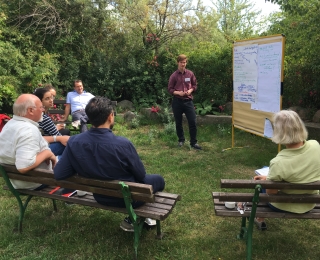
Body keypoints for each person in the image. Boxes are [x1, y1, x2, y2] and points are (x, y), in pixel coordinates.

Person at [54, 96, 165, 231]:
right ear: (110, 116)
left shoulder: (74, 142)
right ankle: (134, 218)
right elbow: (141, 175)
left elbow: (60, 173)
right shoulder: (123, 144)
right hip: (128, 198)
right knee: (158, 180)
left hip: (99, 196)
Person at [253, 110, 320, 230]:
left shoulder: (278, 162)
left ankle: (259, 217)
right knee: (266, 175)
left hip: (284, 205)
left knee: (260, 184)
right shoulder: (316, 146)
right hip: (310, 203)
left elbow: (271, 193)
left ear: (279, 132)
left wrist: (267, 180)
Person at [0, 94, 56, 190]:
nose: (43, 110)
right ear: (30, 110)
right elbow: (24, 166)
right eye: (41, 107)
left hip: (17, 180)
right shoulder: (28, 130)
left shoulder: (10, 124)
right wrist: (47, 154)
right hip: (34, 182)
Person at [168, 54, 201, 150]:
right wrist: (178, 93)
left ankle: (193, 142)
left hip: (188, 101)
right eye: (181, 62)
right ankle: (181, 140)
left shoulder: (190, 74)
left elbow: (195, 85)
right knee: (178, 122)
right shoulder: (173, 76)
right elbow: (170, 89)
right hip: (177, 102)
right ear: (178, 62)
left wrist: (190, 91)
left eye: (185, 62)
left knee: (192, 121)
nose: (183, 64)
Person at [33, 88, 70, 156]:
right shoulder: (43, 117)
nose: (51, 100)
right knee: (66, 143)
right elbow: (59, 136)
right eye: (47, 99)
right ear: (40, 101)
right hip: (40, 149)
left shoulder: (36, 114)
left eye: (51, 97)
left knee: (65, 132)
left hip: (38, 144)